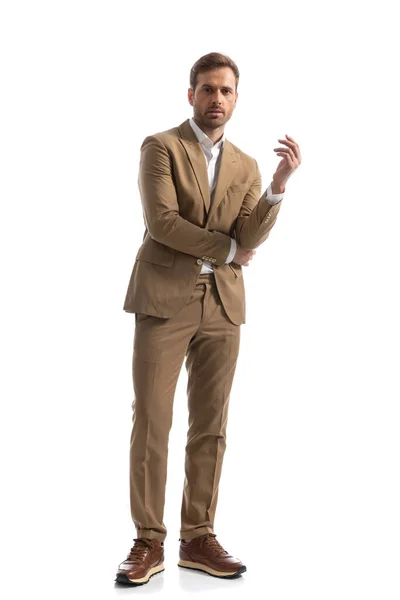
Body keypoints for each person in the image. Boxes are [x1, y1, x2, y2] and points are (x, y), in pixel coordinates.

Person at [115, 51, 301, 586]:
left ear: (236, 98)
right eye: (207, 89)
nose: (216, 98)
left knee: (211, 425)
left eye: (226, 91)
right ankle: (148, 541)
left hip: (223, 305)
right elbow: (163, 222)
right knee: (152, 419)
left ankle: (198, 536)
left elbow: (251, 236)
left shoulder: (245, 164)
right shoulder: (161, 147)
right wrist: (226, 251)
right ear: (190, 94)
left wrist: (278, 185)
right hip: (164, 299)